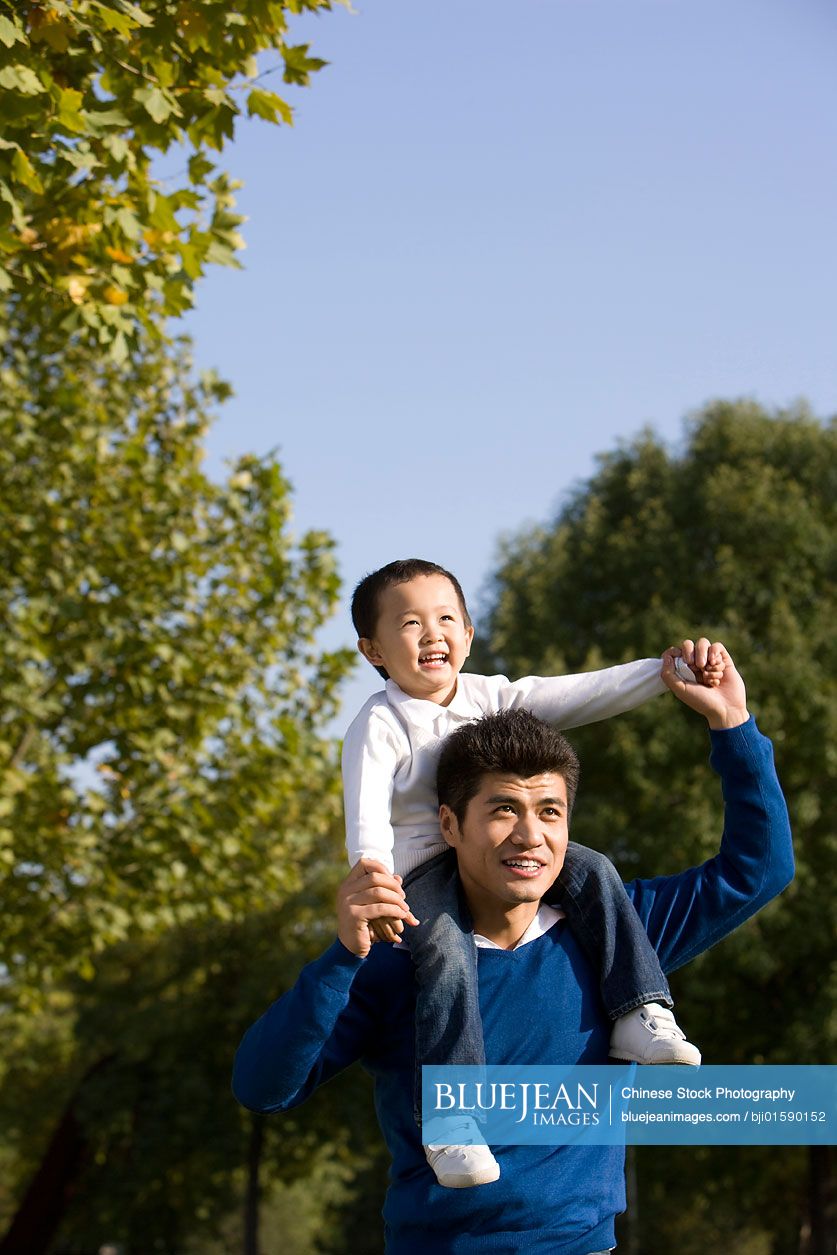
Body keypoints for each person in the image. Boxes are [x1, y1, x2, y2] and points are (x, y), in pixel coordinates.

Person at [232, 643, 794, 1254]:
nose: (531, 835)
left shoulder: (619, 934)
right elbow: (263, 1087)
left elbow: (758, 870)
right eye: (504, 809)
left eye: (549, 811)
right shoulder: (398, 958)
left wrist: (732, 723)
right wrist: (343, 956)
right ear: (450, 825)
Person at [341, 558, 719, 1186]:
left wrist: (663, 674)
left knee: (595, 870)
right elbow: (365, 812)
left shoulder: (489, 695)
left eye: (446, 619)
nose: (432, 635)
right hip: (426, 871)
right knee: (444, 951)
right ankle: (453, 1122)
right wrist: (372, 879)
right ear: (374, 649)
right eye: (410, 624)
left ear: (467, 633)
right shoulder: (379, 723)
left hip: (501, 856)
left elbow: (578, 692)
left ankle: (638, 1010)